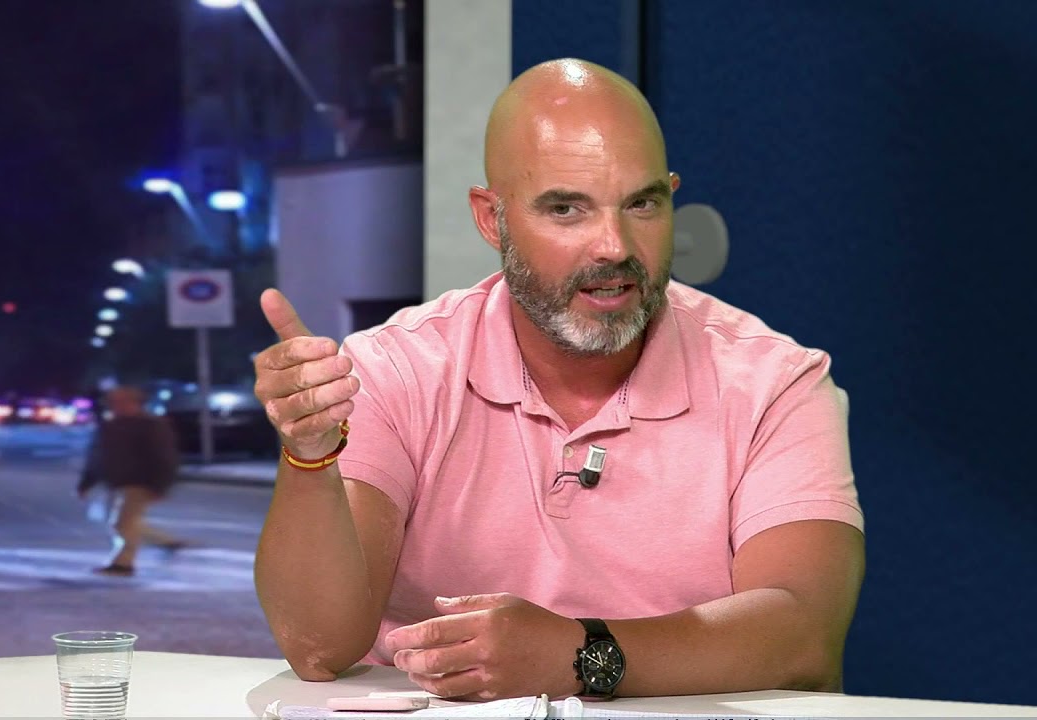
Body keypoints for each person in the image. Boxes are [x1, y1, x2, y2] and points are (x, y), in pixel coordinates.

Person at [252, 58, 865, 701]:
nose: (614, 246)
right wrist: (310, 455)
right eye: (567, 209)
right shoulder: (394, 370)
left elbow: (804, 636)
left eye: (642, 204)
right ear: (492, 218)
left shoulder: (775, 382)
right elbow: (320, 648)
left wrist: (579, 655)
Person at [77, 385, 186, 576]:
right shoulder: (110, 426)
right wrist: (86, 483)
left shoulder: (151, 425)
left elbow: (164, 457)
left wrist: (160, 486)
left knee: (123, 523)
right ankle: (166, 542)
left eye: (120, 402)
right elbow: (97, 457)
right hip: (116, 482)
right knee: (123, 522)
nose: (115, 406)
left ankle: (123, 564)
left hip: (140, 482)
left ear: (135, 403)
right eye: (113, 402)